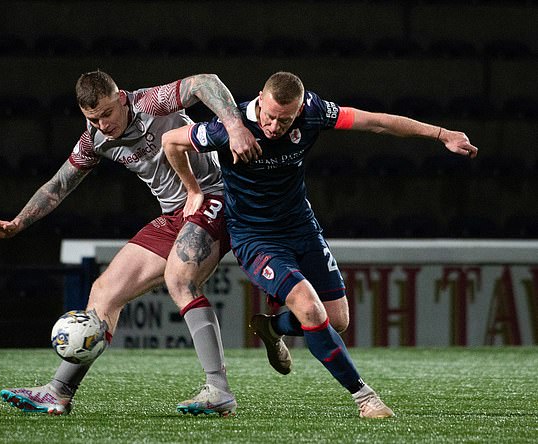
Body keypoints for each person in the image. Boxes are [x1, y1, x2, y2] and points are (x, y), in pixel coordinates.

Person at [162, 71, 479, 418]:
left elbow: (376, 123)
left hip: (301, 228)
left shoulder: (314, 112)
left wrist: (441, 133)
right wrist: (193, 190)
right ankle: (365, 398)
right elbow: (172, 142)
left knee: (337, 320)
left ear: (298, 112)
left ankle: (273, 326)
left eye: (284, 120)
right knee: (311, 310)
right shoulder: (229, 127)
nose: (273, 127)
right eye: (268, 116)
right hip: (255, 236)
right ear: (259, 99)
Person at [0, 70, 261, 417]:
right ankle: (58, 391)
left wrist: (233, 126)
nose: (102, 124)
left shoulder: (150, 103)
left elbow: (206, 81)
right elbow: (59, 185)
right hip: (174, 213)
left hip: (213, 196)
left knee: (180, 278)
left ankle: (218, 390)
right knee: (104, 292)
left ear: (122, 98)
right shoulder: (95, 139)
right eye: (92, 118)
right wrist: (18, 222)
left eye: (107, 114)